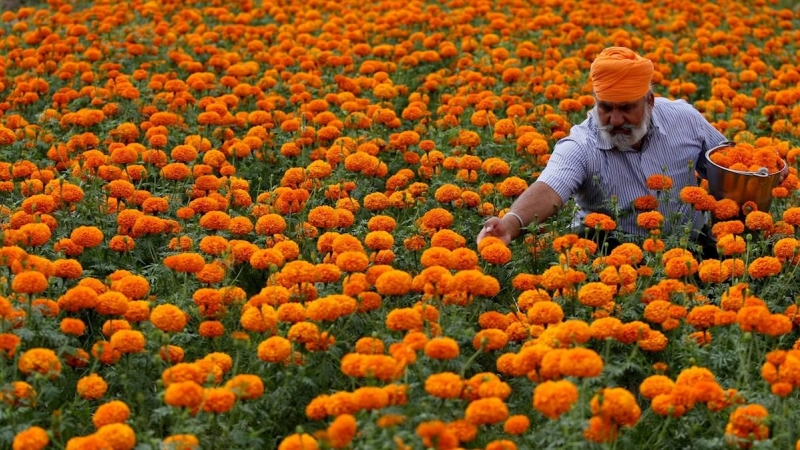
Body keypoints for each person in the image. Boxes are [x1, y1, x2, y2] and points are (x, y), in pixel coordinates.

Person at [478, 46, 731, 250]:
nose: (615, 120)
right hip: (611, 257)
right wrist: (510, 225)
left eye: (626, 108)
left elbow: (731, 167)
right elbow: (548, 189)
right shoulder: (581, 144)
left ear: (649, 102)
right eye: (606, 108)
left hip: (692, 247)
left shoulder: (684, 118)